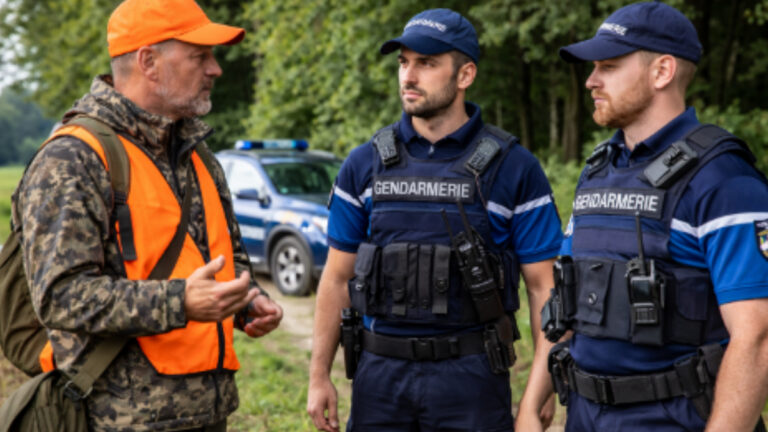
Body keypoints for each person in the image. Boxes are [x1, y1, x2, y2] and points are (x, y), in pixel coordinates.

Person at [11, 0, 283, 430]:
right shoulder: (74, 158)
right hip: (118, 421)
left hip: (208, 414)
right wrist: (179, 301)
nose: (215, 69)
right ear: (148, 62)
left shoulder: (197, 156)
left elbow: (222, 256)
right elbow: (59, 296)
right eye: (200, 56)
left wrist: (246, 302)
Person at [306, 8, 563, 431]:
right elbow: (336, 279)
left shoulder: (515, 167)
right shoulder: (364, 164)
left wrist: (541, 388)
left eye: (427, 63)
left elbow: (543, 288)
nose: (409, 76)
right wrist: (319, 378)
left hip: (472, 379)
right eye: (404, 62)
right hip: (379, 379)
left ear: (465, 75)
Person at [538, 2, 768, 431]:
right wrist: (533, 405)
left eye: (608, 66)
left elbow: (756, 340)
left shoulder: (725, 181)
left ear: (661, 72)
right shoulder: (598, 172)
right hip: (585, 415)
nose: (590, 81)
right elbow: (567, 298)